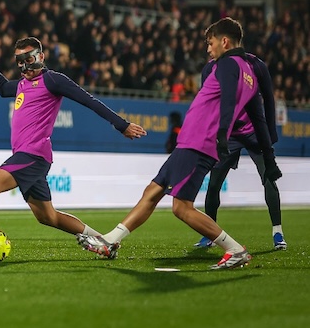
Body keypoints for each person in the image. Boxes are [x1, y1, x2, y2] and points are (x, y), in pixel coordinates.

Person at [77, 18, 278, 270]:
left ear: (224, 41)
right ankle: (111, 240)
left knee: (182, 208)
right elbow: (258, 117)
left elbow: (227, 100)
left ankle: (234, 249)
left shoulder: (227, 64)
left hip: (199, 143)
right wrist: (268, 155)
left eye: (210, 43)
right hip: (192, 142)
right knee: (153, 190)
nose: (208, 49)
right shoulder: (249, 72)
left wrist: (223, 133)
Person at [0, 34, 146, 253]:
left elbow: (88, 100)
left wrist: (121, 125)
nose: (25, 65)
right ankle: (104, 242)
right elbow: (3, 88)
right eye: (20, 61)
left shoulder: (53, 80)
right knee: (48, 216)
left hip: (33, 155)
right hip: (29, 156)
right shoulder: (23, 84)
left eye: (29, 59)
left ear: (41, 56)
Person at [192, 49, 287, 250]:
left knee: (268, 178)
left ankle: (277, 232)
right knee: (214, 182)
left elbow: (269, 99)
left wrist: (270, 135)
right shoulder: (210, 68)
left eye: (212, 43)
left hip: (255, 132)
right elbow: (208, 104)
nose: (209, 48)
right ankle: (209, 234)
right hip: (229, 134)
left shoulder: (256, 64)